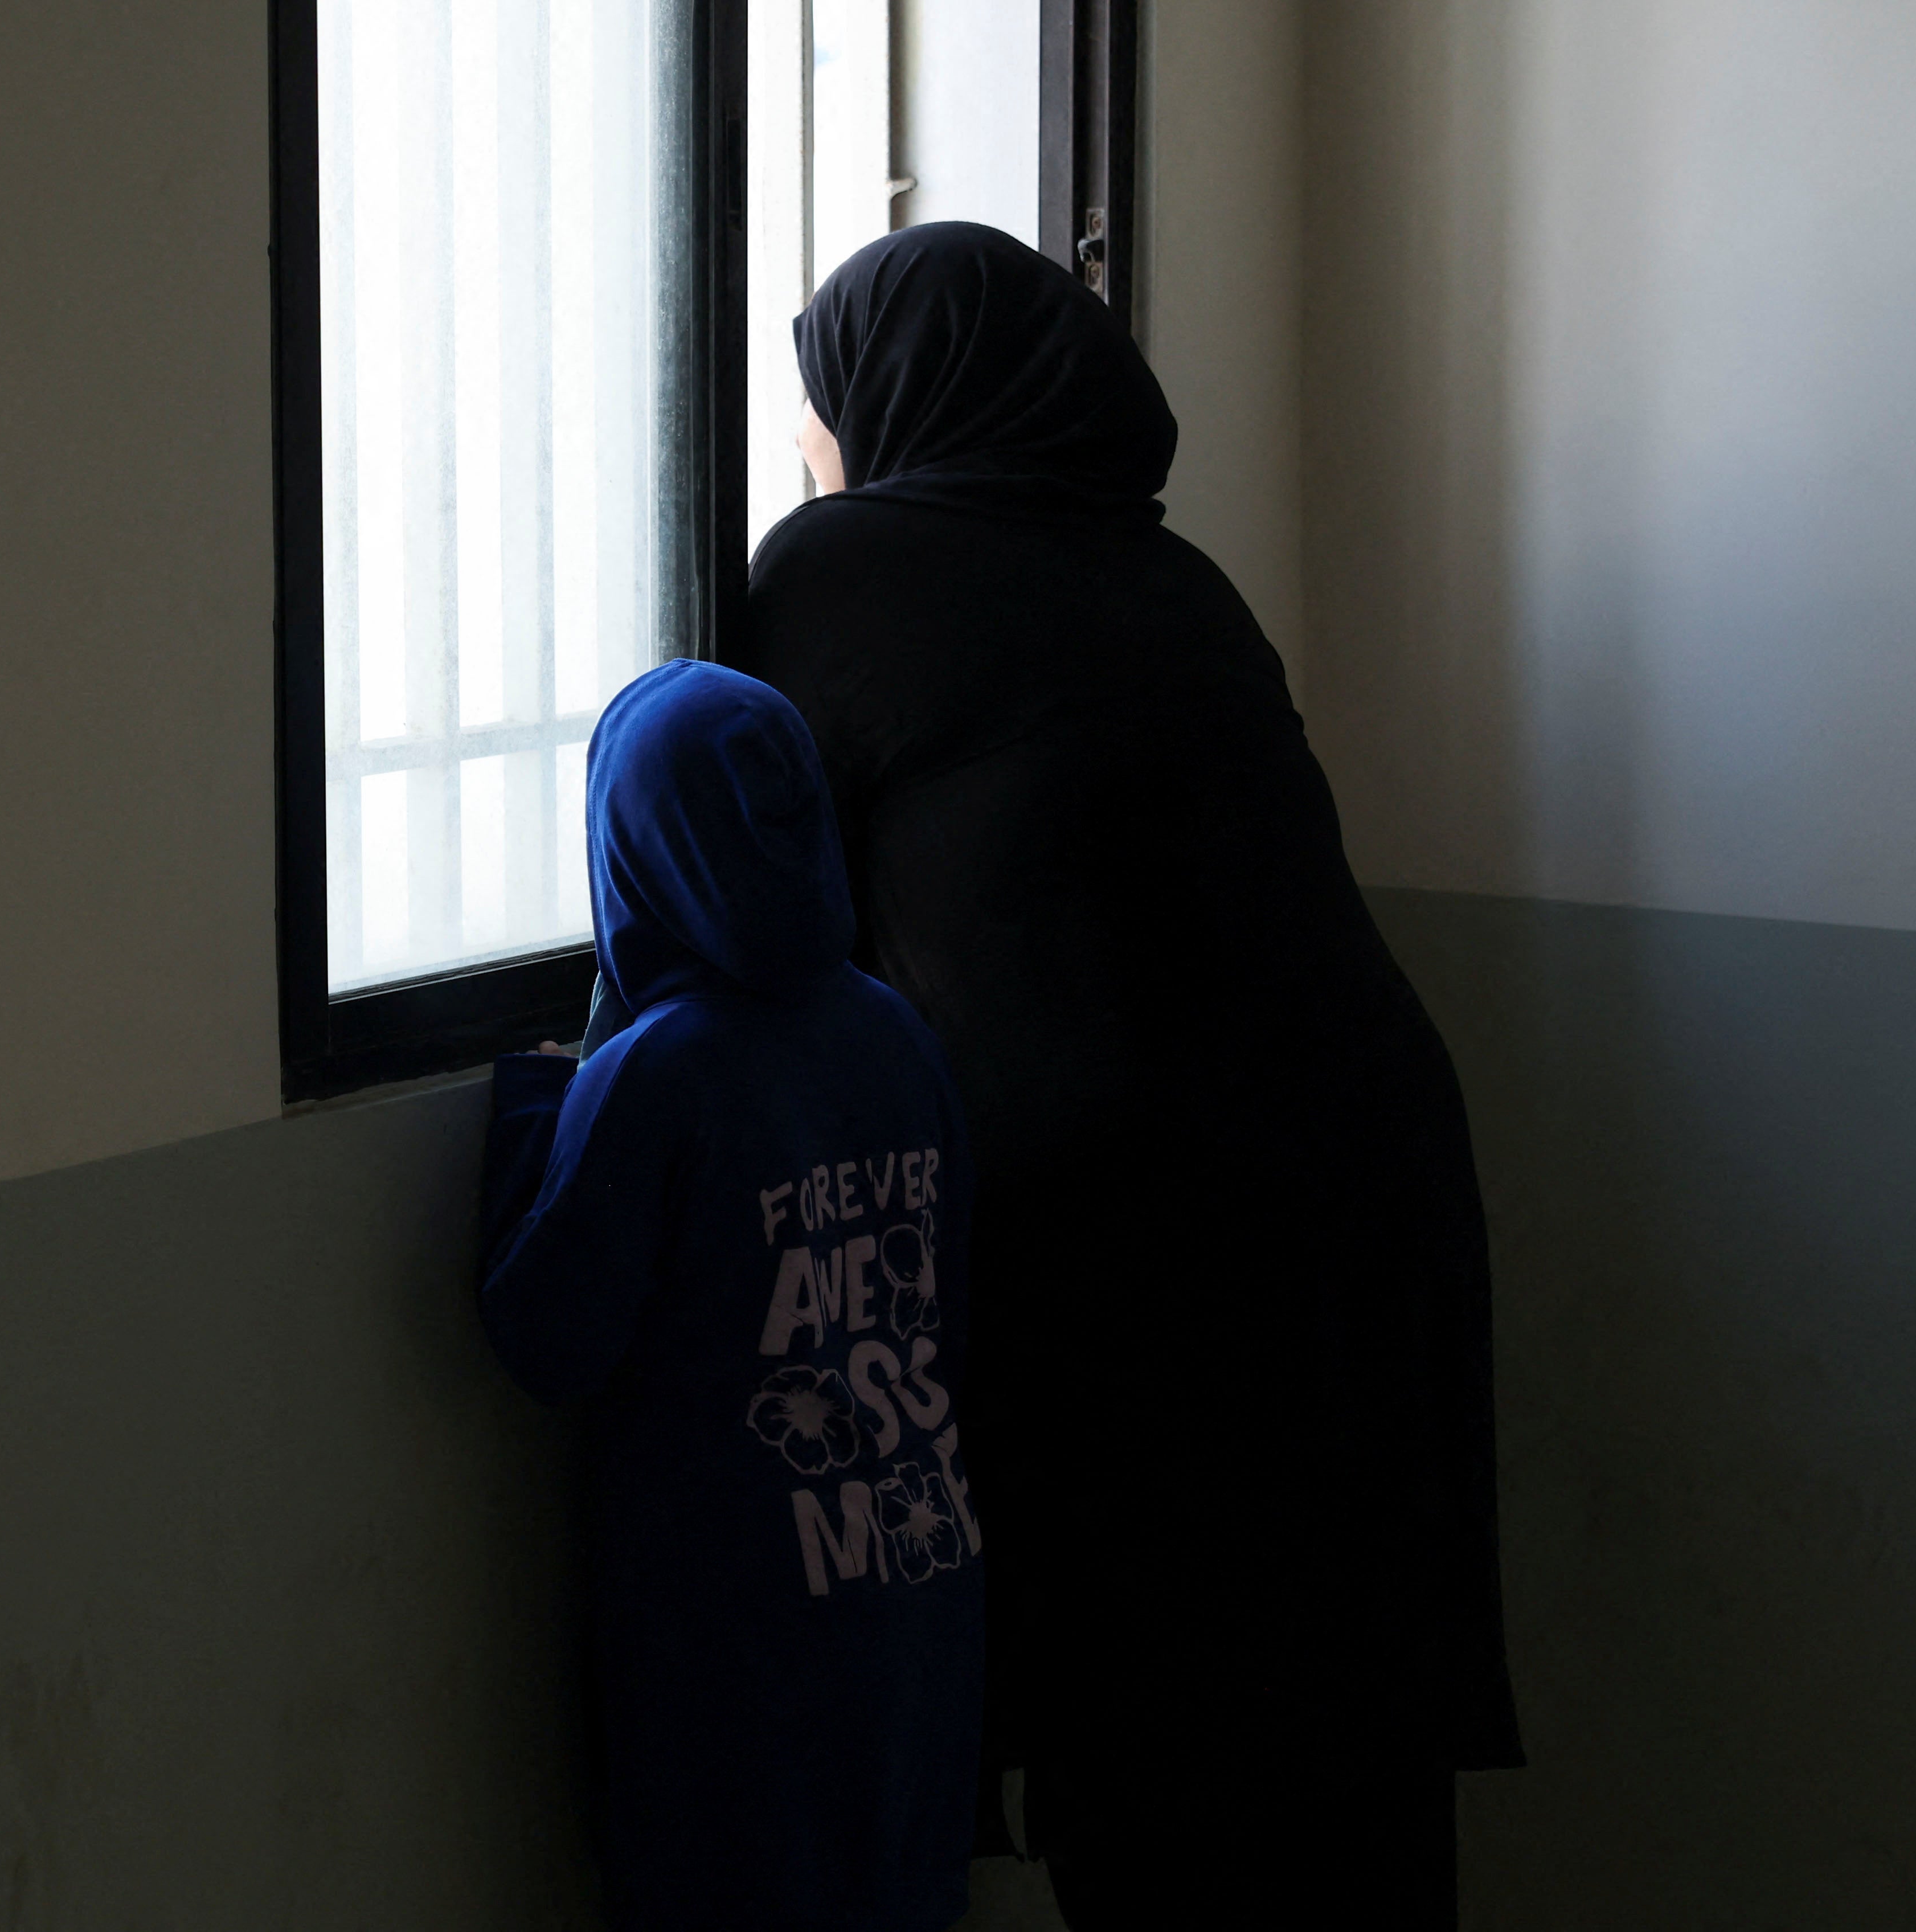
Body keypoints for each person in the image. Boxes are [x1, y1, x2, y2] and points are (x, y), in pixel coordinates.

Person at [744, 222, 1521, 1927]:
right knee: (1340, 1772)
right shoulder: (1169, 574)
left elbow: (742, 865)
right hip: (1362, 1201)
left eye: (818, 400)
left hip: (1148, 1244)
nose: (807, 439)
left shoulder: (842, 570)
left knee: (1157, 1766)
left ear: (893, 394)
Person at [480, 659, 985, 1932]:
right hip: (915, 1587)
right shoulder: (893, 1029)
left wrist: (536, 1106)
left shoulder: (657, 1071)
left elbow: (550, 1335)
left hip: (731, 1628)